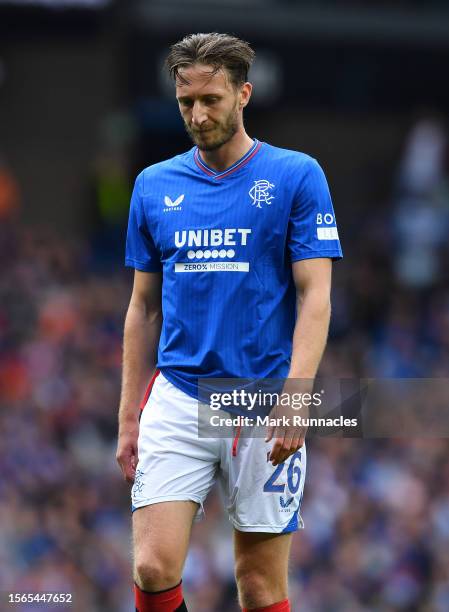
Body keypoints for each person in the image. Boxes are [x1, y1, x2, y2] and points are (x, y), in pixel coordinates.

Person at [116, 32, 342, 612]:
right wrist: (127, 417)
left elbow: (316, 296)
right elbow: (142, 308)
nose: (197, 114)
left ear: (243, 94)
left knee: (260, 585)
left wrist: (298, 395)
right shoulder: (153, 185)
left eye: (211, 100)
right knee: (151, 564)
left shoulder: (296, 175)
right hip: (178, 395)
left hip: (261, 400)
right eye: (186, 102)